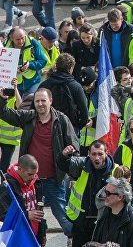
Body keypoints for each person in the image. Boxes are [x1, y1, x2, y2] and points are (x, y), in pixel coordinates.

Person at [0, 87, 76, 235]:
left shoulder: (61, 120)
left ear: (50, 101)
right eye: (37, 101)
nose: (40, 104)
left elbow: (74, 145)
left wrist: (69, 155)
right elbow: (5, 113)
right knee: (31, 217)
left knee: (62, 216)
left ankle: (75, 239)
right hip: (30, 183)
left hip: (54, 180)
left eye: (43, 100)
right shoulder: (28, 117)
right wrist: (3, 99)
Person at [91, 176, 133, 247]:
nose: (104, 195)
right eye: (104, 192)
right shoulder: (105, 214)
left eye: (108, 193)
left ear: (120, 197)